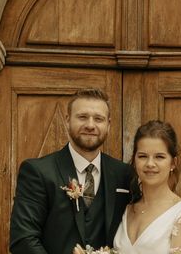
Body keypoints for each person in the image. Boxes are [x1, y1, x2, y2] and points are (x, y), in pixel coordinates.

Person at [9, 88, 131, 254]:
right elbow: (23, 239)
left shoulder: (123, 174)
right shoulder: (37, 171)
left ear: (109, 125)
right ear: (67, 120)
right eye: (82, 117)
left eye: (98, 119)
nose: (90, 125)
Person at [113, 120, 181, 254]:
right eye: (142, 156)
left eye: (159, 157)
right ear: (134, 160)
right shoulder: (127, 209)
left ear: (173, 163)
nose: (150, 164)